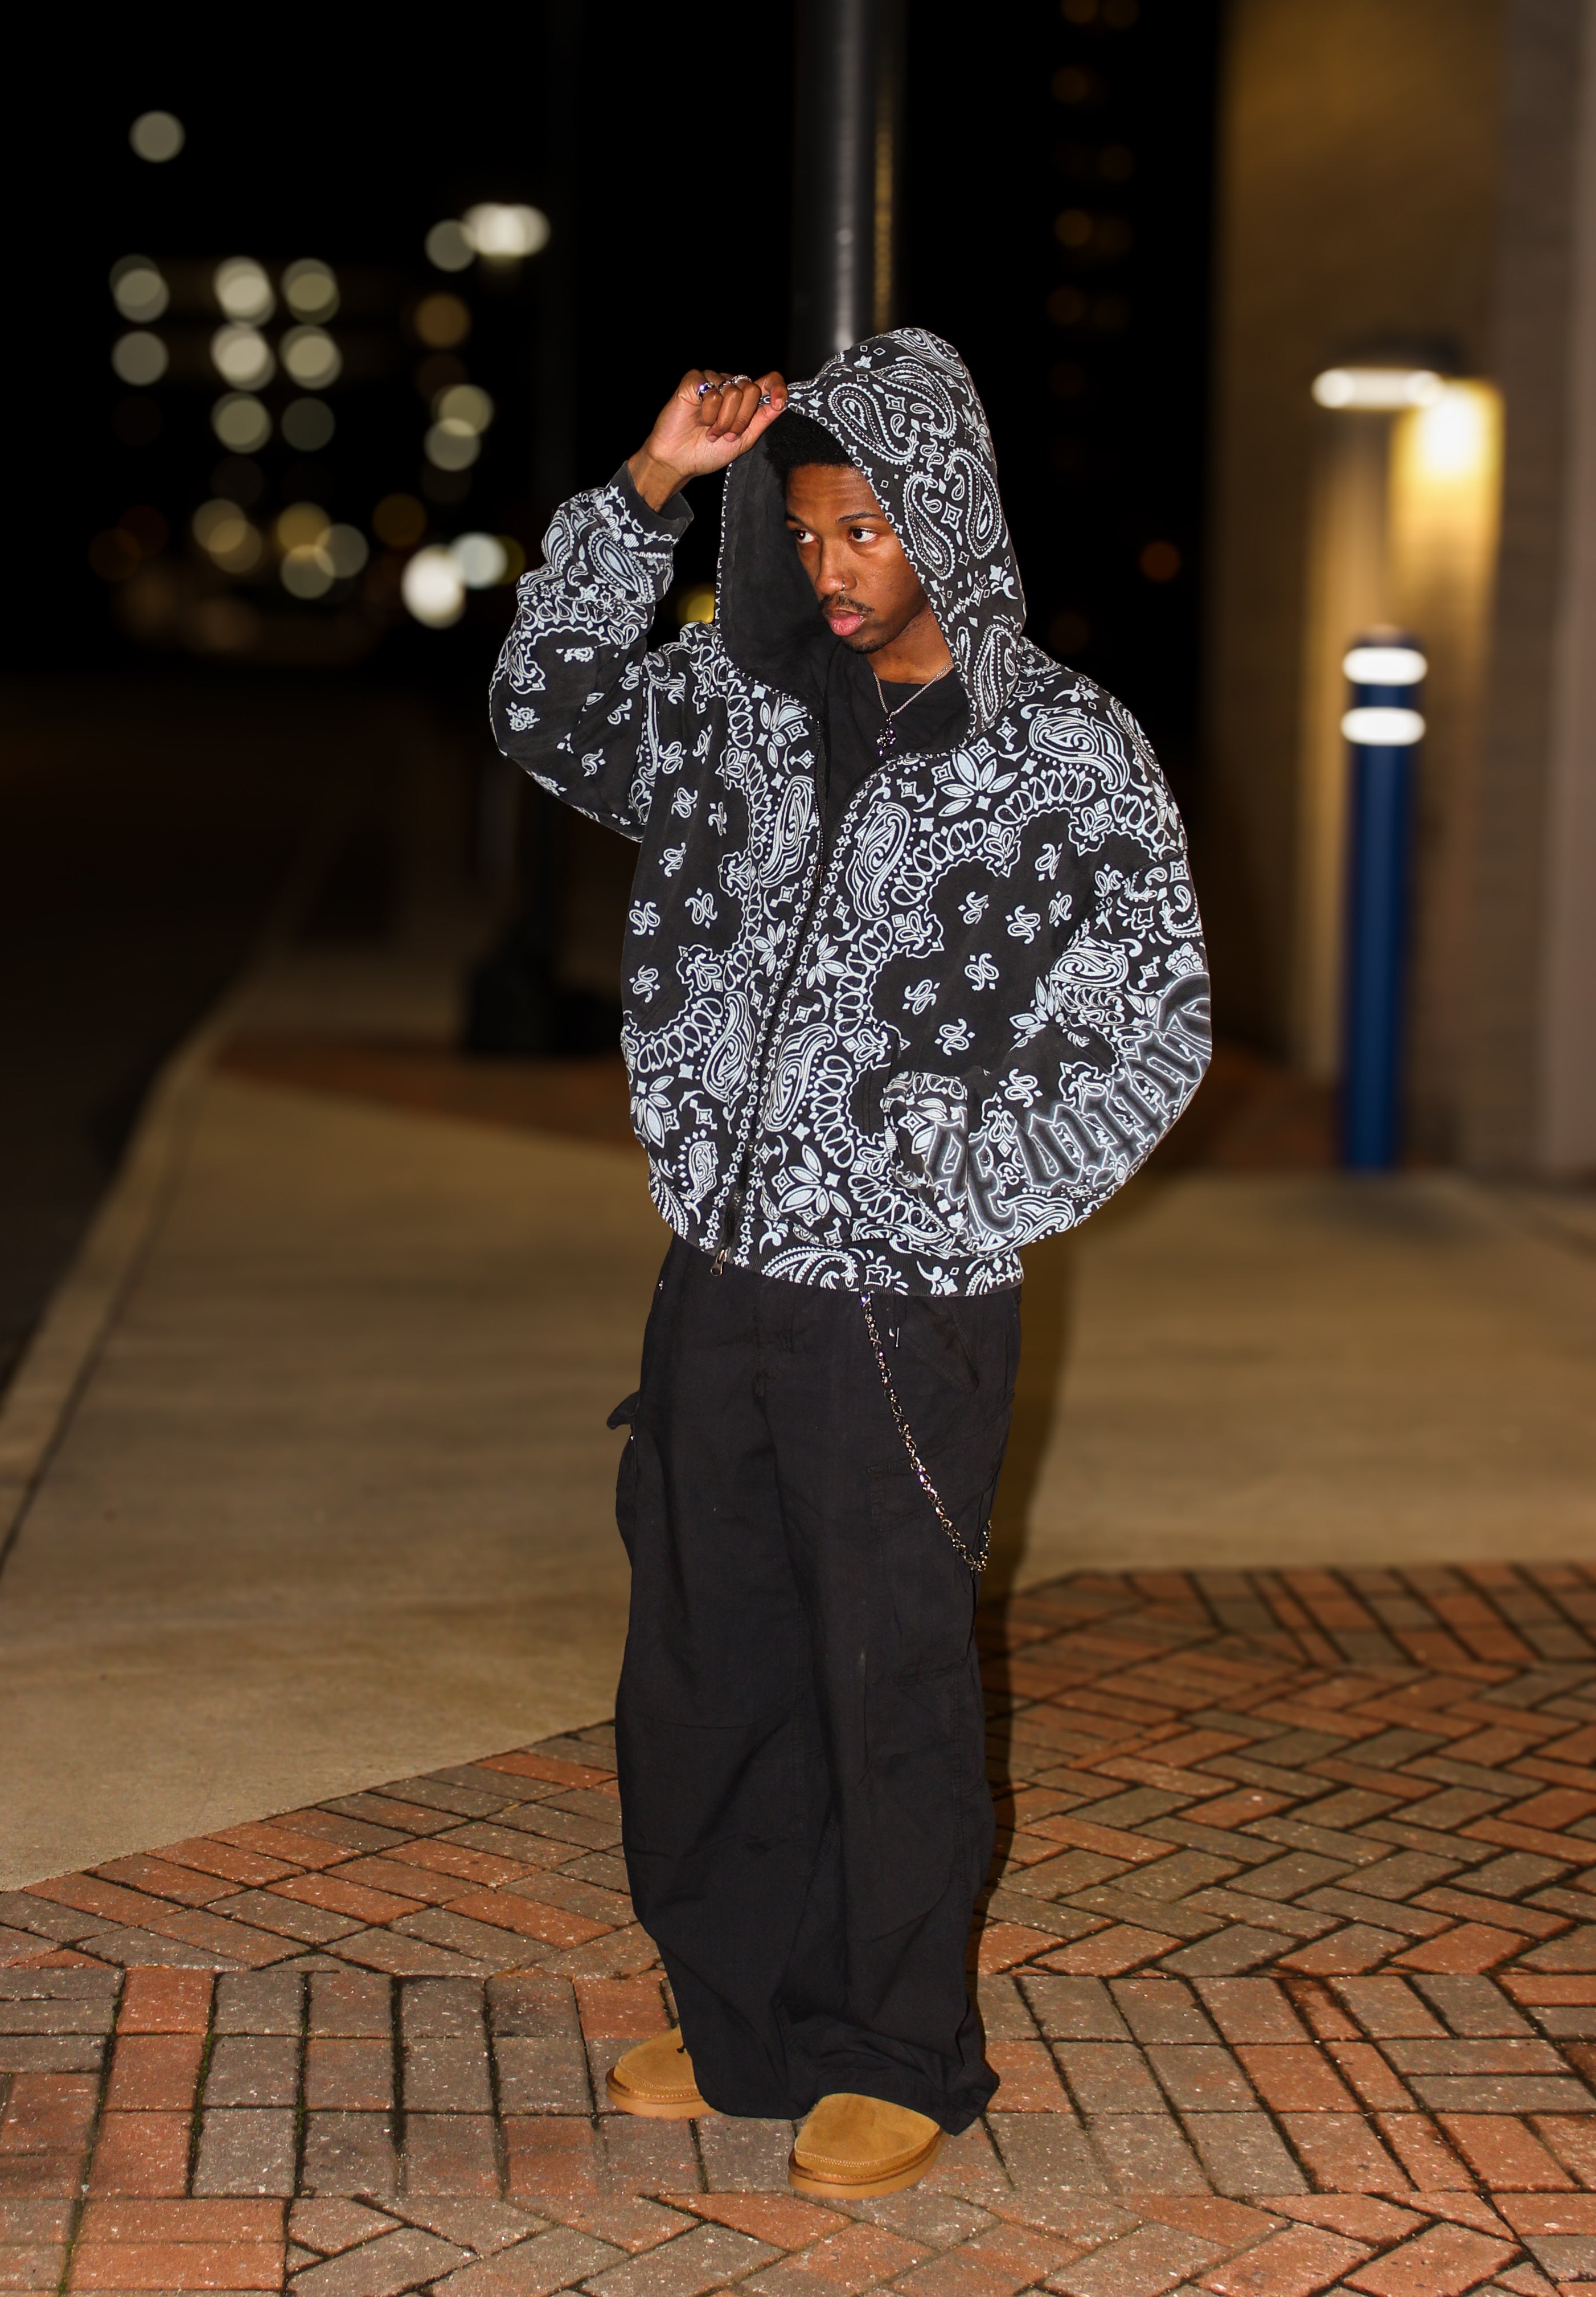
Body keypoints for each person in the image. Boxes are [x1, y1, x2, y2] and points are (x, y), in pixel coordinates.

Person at [490, 330, 1208, 2202]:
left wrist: (963, 1185)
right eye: (805, 530)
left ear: (950, 524)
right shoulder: (736, 708)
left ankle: (898, 2050)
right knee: (708, 1663)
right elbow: (547, 703)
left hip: (904, 1301)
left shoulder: (1065, 757)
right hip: (717, 1270)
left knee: (882, 1673)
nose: (830, 564)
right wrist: (646, 493)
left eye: (866, 527)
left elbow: (1155, 1026)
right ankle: (742, 2020)